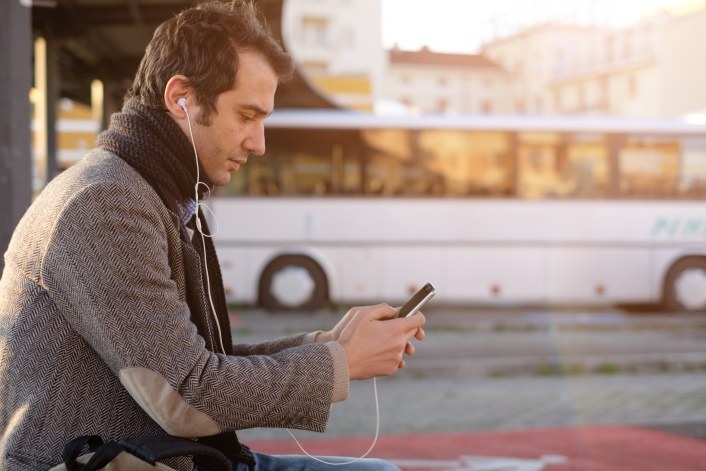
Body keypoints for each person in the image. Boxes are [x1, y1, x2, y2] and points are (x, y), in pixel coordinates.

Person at [0, 1, 426, 470]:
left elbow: (197, 361)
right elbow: (187, 395)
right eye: (246, 115)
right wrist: (341, 363)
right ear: (181, 96)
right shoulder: (103, 205)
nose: (259, 143)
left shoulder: (150, 190)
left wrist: (329, 345)